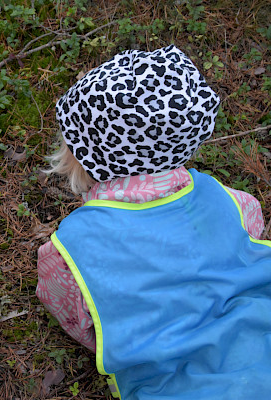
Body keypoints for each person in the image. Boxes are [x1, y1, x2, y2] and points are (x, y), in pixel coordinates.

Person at [36, 45, 271, 399]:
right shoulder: (232, 202)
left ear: (84, 157)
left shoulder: (69, 252)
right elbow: (252, 226)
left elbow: (82, 324)